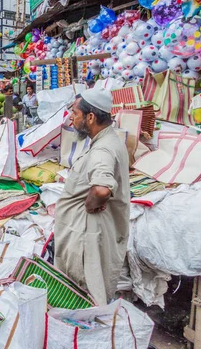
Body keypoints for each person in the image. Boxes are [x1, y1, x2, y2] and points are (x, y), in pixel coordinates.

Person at [55, 88, 129, 305]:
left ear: (90, 117)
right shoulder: (107, 141)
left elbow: (102, 188)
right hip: (86, 233)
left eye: (75, 113)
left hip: (86, 235)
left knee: (85, 296)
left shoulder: (102, 150)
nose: (71, 117)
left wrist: (90, 204)